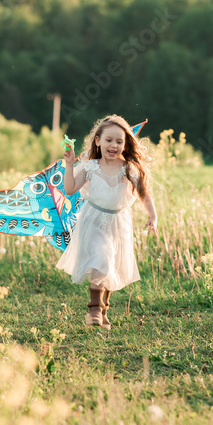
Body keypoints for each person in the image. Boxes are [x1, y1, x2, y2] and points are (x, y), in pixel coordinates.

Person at [56, 115, 158, 329]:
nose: (114, 145)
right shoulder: (90, 167)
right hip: (93, 219)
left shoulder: (129, 168)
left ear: (125, 144)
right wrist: (68, 164)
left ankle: (103, 310)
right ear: (98, 141)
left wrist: (153, 216)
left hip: (118, 222)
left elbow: (145, 195)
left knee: (110, 263)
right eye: (109, 140)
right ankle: (94, 309)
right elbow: (70, 188)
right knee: (101, 257)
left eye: (119, 141)